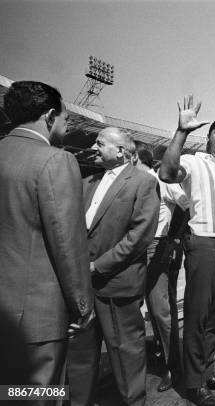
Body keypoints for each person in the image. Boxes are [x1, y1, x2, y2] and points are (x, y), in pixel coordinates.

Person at [0, 81, 93, 398]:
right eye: (67, 119)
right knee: (34, 397)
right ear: (50, 116)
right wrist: (82, 306)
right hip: (36, 320)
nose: (67, 127)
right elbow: (68, 244)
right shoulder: (56, 161)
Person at [159, 96, 215, 406]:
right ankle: (193, 384)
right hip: (204, 243)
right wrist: (181, 131)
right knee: (197, 315)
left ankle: (206, 372)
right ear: (209, 136)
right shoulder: (194, 161)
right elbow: (167, 174)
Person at [66, 127, 160, 406]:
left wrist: (97, 266)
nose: (93, 147)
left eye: (100, 143)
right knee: (80, 356)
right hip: (82, 287)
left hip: (117, 285)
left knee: (126, 356)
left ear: (121, 151)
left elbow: (139, 236)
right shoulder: (86, 182)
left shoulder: (142, 182)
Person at [132, 143, 190, 392]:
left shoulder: (159, 180)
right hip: (138, 248)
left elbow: (187, 204)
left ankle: (173, 367)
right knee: (151, 308)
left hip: (159, 245)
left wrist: (174, 238)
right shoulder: (132, 182)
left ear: (134, 157)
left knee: (160, 310)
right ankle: (161, 352)